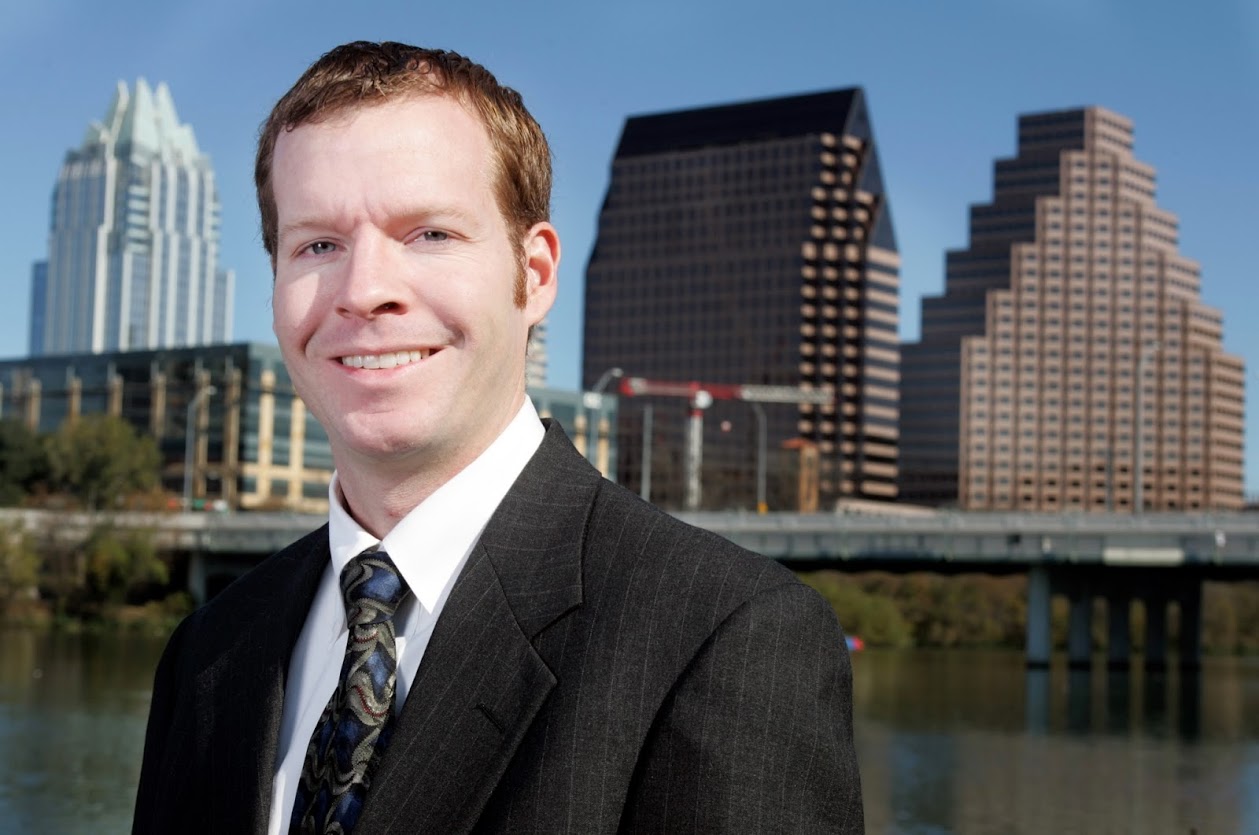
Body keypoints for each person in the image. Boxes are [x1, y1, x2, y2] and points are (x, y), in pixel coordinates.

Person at [133, 41, 863, 834]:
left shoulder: (726, 637)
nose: (364, 290)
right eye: (317, 245)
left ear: (534, 273)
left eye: (429, 234)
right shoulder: (209, 650)